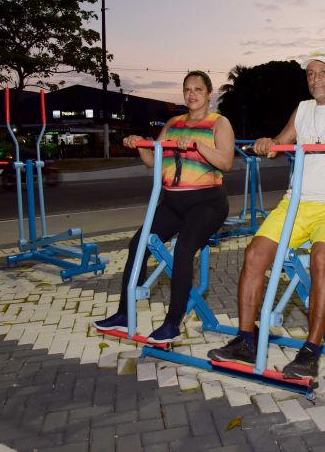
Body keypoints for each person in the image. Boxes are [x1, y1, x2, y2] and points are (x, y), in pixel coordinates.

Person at [207, 49, 325, 379]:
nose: (316, 78)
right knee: (254, 254)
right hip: (296, 202)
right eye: (310, 73)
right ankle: (245, 340)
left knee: (322, 258)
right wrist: (267, 145)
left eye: (323, 72)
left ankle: (310, 351)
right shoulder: (303, 110)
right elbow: (281, 141)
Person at [94, 71, 235, 343]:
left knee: (183, 251)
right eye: (187, 90)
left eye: (198, 89)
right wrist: (139, 145)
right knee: (137, 245)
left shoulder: (219, 123)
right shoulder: (173, 123)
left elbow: (226, 162)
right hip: (172, 202)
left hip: (207, 202)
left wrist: (197, 145)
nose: (192, 94)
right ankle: (125, 314)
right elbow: (153, 161)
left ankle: (172, 323)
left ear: (208, 94)